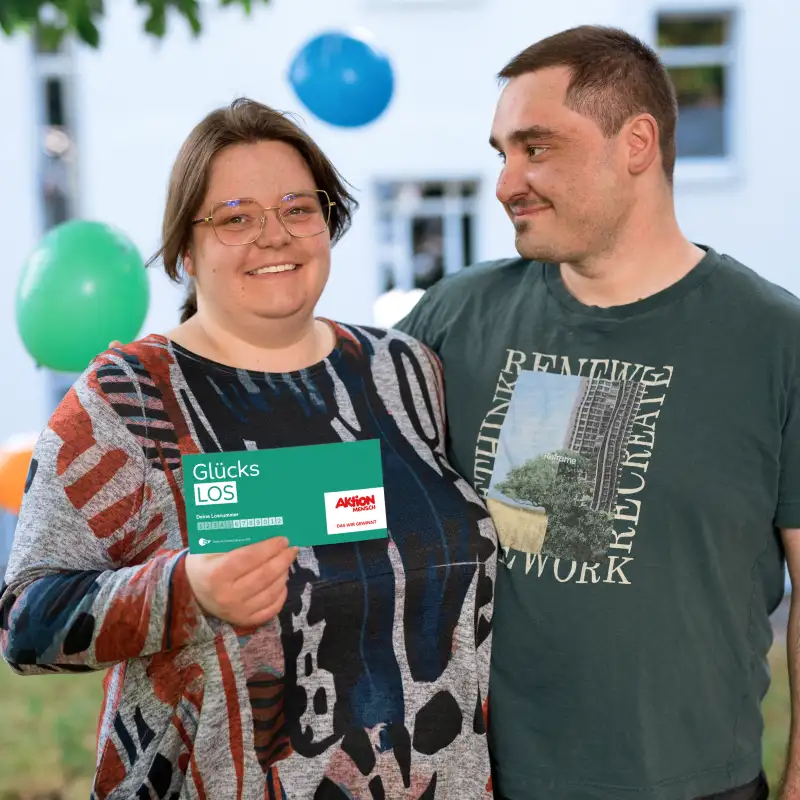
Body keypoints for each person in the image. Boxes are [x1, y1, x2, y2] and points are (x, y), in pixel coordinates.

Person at [0, 98, 497, 799]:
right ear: (184, 250)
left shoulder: (406, 372)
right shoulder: (129, 398)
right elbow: (27, 624)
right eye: (236, 217)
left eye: (299, 208)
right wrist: (185, 588)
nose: (274, 235)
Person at [396, 24, 799, 800]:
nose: (507, 181)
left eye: (536, 148)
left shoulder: (774, 341)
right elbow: (360, 493)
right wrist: (213, 501)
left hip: (695, 786)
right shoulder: (455, 318)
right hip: (481, 781)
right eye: (501, 153)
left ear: (637, 142)